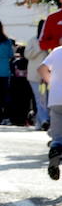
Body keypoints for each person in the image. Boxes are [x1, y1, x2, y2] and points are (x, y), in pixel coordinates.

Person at [24, 21, 51, 131]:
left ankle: (41, 122)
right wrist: (40, 47)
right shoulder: (32, 40)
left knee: (46, 99)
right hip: (34, 75)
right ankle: (44, 120)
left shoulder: (51, 41)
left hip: (47, 75)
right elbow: (27, 54)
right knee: (39, 98)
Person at [41, 44, 62, 180]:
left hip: (56, 99)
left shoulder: (57, 51)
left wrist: (52, 83)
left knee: (58, 138)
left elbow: (42, 69)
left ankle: (56, 149)